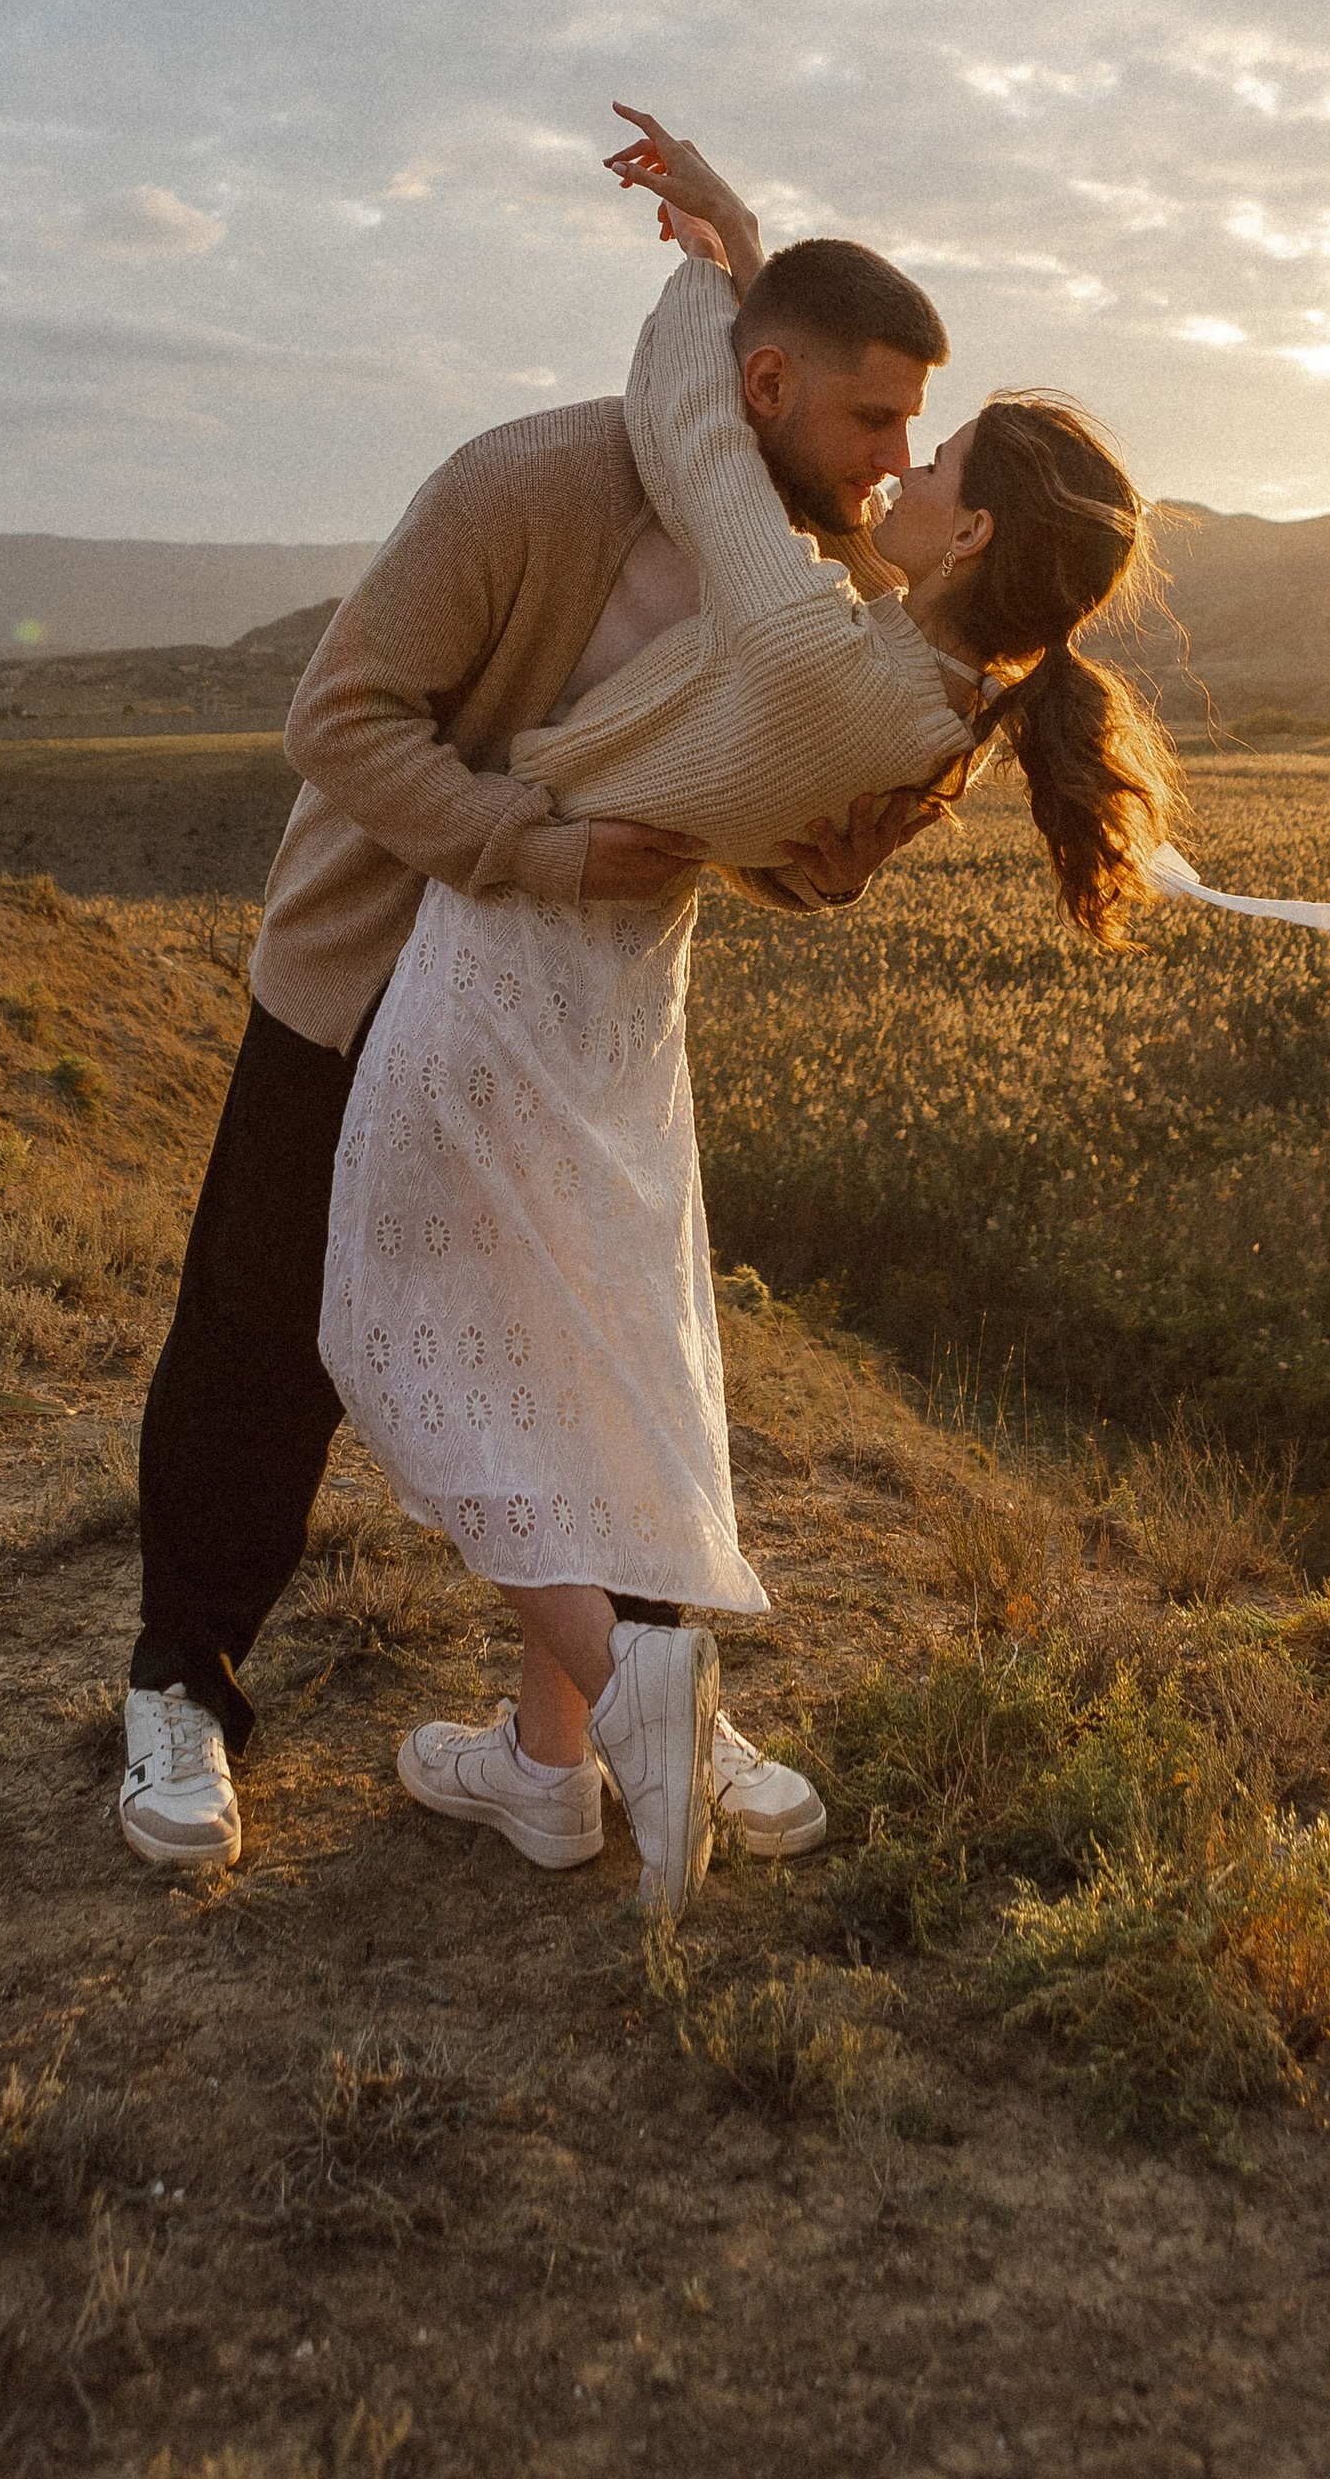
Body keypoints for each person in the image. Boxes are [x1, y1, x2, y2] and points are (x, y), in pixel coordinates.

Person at [316, 113, 1174, 1912]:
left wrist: (723, 260)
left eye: (922, 456)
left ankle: (631, 1683)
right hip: (633, 1014)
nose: (894, 475)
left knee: (389, 1345)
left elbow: (701, 422)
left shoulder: (813, 636)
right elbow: (820, 591)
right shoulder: (940, 696)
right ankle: (546, 1778)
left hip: (500, 971)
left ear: (978, 529)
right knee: (573, 1379)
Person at [118, 145, 954, 1878]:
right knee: (266, 1341)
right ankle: (180, 1688)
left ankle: (623, 1729)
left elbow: (734, 831)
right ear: (767, 383)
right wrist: (542, 851)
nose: (891, 469)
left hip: (565, 1031)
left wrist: (831, 862)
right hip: (363, 977)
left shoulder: (818, 582)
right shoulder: (526, 485)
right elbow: (338, 722)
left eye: (915, 436)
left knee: (593, 1364)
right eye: (875, 422)